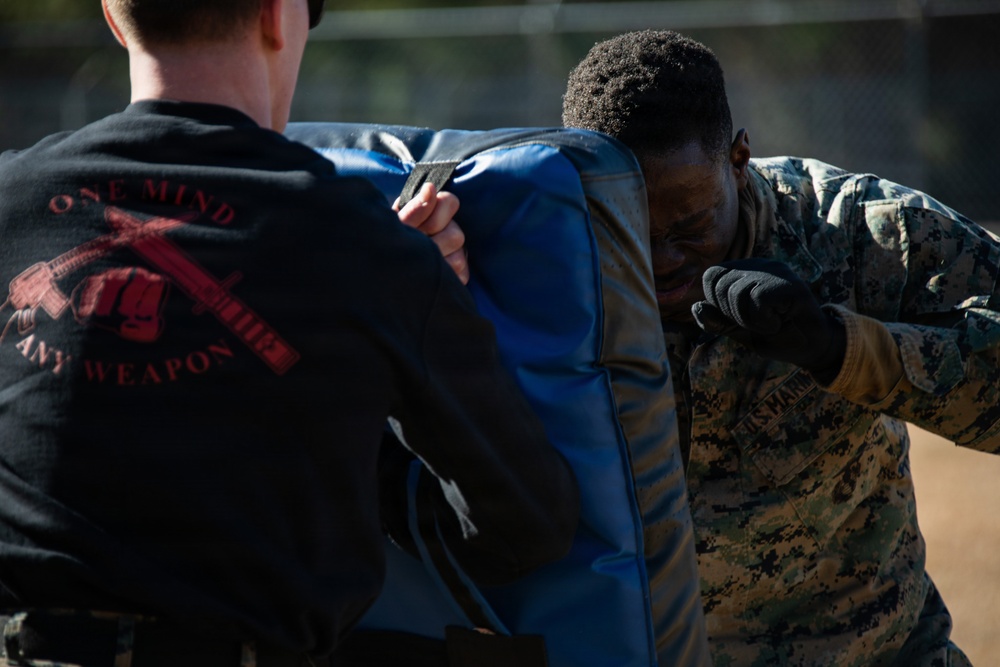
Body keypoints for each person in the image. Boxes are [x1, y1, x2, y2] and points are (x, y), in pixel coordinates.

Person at [0, 1, 580, 665]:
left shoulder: (6, 197)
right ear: (279, 16)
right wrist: (364, 396)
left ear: (112, 16)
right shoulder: (360, 245)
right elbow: (524, 525)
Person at [562, 29, 1000, 667]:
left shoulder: (860, 232)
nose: (660, 261)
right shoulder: (542, 262)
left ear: (738, 159)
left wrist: (839, 349)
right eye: (627, 229)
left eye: (689, 225)